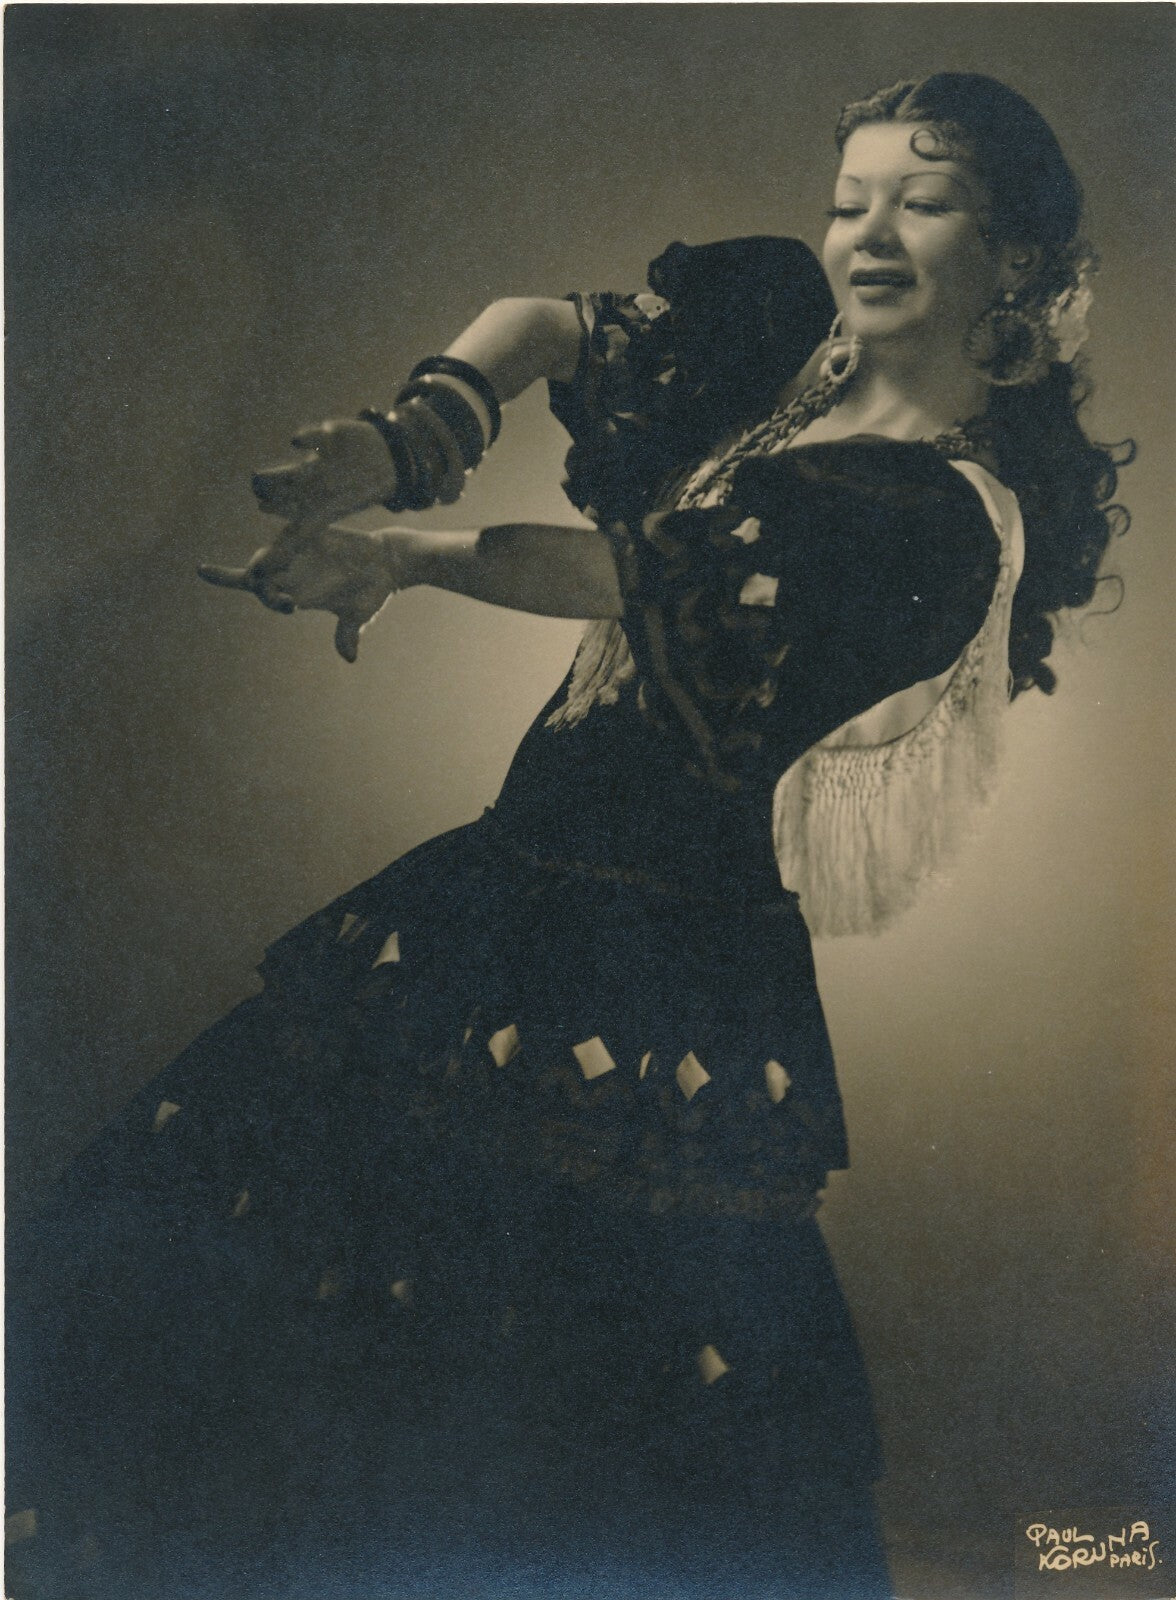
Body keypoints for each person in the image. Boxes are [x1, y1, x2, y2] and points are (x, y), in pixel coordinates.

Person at [7, 73, 1129, 1600]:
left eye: (920, 203)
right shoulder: (785, 353)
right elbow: (539, 321)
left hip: (659, 985)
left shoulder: (938, 516)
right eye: (847, 196)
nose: (865, 232)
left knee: (564, 1406)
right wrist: (408, 441)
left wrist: (402, 553)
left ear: (1011, 262)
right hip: (493, 907)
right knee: (252, 1286)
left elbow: (618, 575)